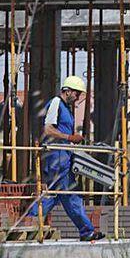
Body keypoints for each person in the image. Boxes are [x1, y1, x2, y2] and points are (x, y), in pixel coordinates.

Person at [25, 75, 105, 241]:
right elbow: (48, 129)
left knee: (56, 196)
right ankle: (85, 230)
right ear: (67, 91)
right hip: (56, 158)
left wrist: (73, 140)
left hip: (64, 157)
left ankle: (28, 222)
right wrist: (69, 138)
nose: (76, 97)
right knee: (69, 195)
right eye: (76, 93)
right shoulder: (56, 103)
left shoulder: (67, 109)